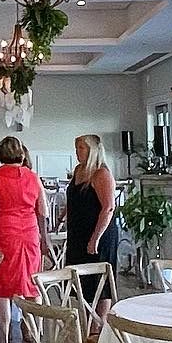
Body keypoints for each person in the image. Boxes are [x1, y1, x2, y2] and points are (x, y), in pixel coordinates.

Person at [0, 136, 48, 343]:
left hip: (6, 234)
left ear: (0, 155)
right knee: (31, 283)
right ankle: (36, 333)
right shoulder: (34, 177)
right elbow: (43, 211)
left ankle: (3, 340)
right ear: (22, 154)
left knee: (3, 288)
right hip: (29, 234)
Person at [66, 133, 119, 323]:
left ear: (92, 150)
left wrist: (95, 237)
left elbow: (108, 207)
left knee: (99, 281)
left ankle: (100, 323)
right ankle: (87, 320)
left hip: (99, 232)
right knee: (80, 279)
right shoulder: (79, 170)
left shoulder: (101, 173)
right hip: (78, 232)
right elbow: (75, 198)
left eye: (81, 148)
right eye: (77, 147)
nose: (77, 152)